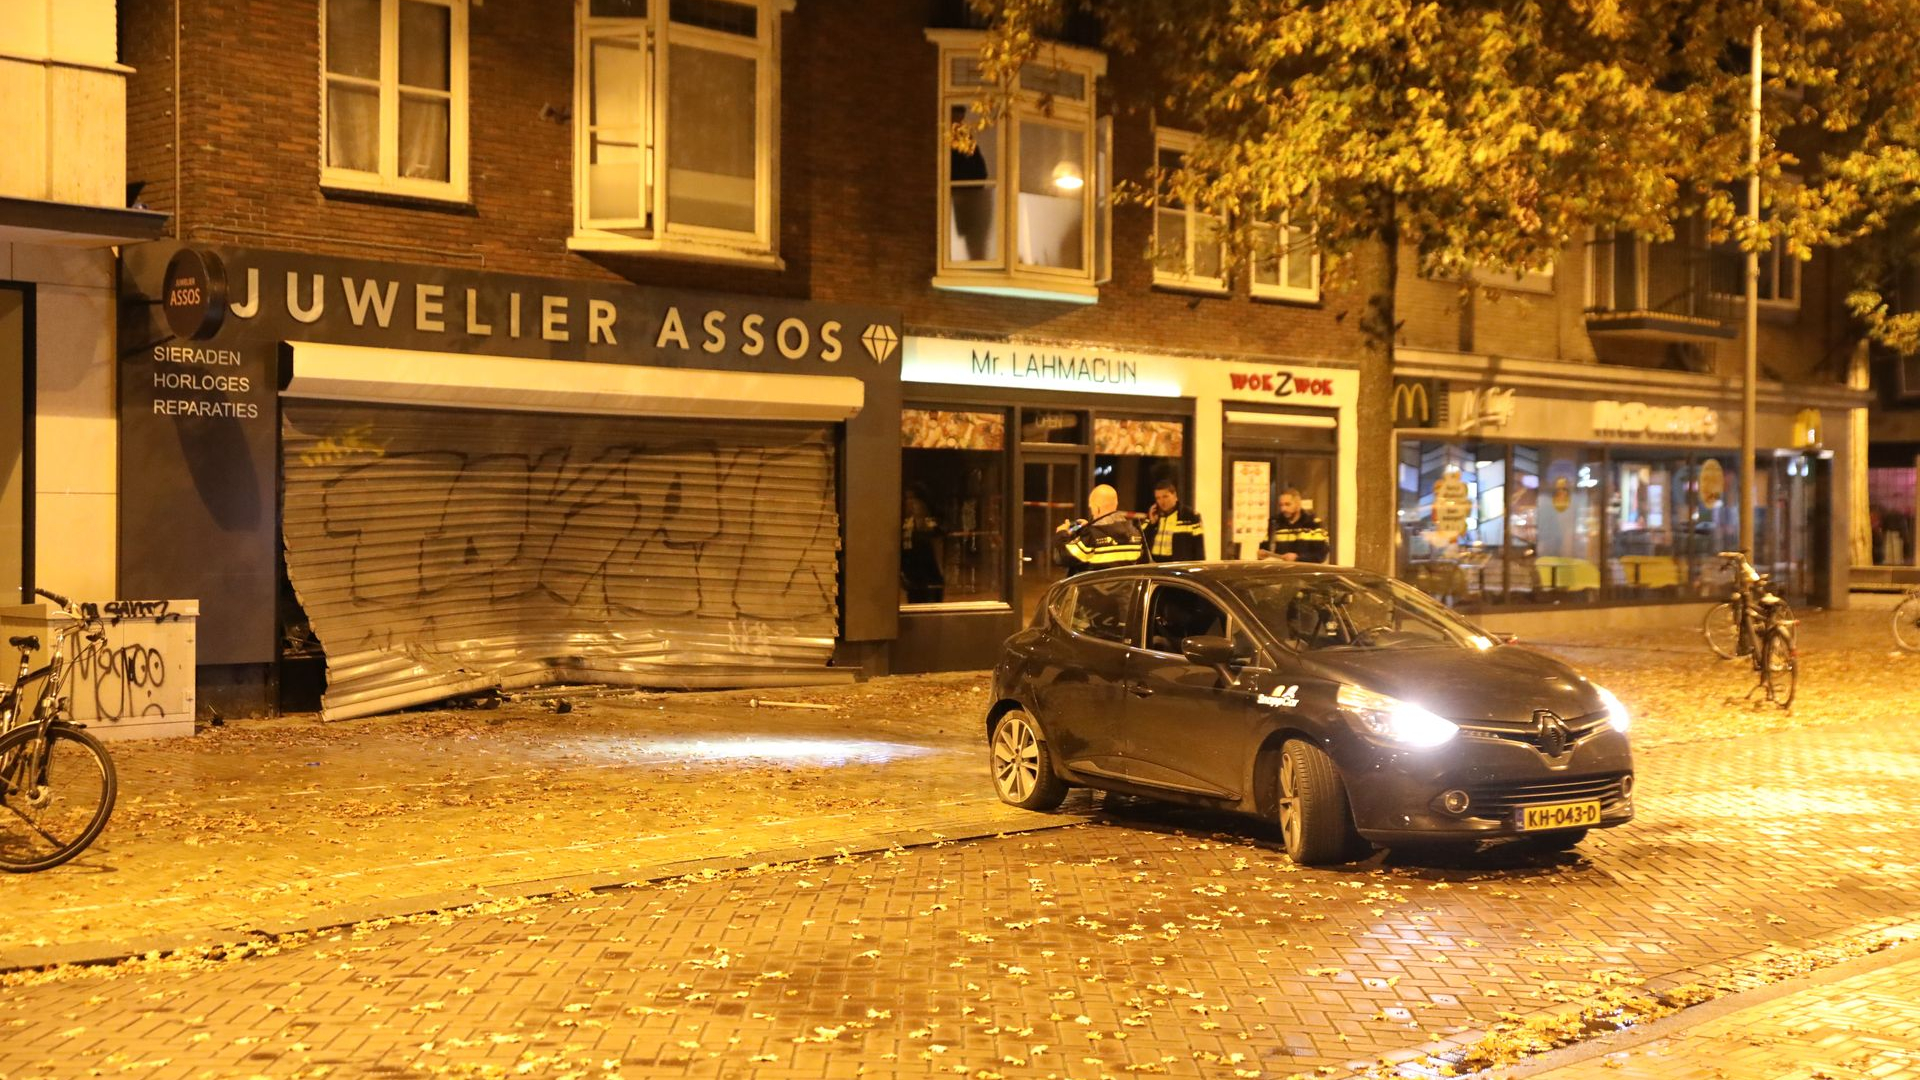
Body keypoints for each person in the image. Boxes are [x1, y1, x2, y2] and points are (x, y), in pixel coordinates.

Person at [1054, 483, 1144, 574]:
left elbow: (1062, 558)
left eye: (1091, 508)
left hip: (1093, 588)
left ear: (1097, 508)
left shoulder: (1092, 535)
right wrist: (1088, 527)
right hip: (1127, 588)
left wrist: (1062, 534)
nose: (1092, 513)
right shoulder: (1136, 534)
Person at [1140, 478, 1205, 562]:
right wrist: (1151, 524)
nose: (1162, 501)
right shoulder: (1153, 516)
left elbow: (1199, 548)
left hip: (1177, 566)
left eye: (1165, 496)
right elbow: (1141, 541)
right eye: (1158, 498)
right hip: (1154, 565)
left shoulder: (1190, 516)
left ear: (1174, 495)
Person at [900, 485, 946, 602]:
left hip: (930, 578)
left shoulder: (931, 525)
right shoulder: (906, 525)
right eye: (907, 499)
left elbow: (938, 540)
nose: (910, 503)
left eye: (913, 499)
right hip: (913, 578)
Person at [1264, 487, 1329, 563]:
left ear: (1298, 504)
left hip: (1304, 572)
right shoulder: (1276, 522)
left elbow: (1320, 555)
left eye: (1287, 504)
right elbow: (1266, 547)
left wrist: (1298, 557)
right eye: (1281, 505)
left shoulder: (1313, 524)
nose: (1283, 509)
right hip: (1281, 572)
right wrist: (1262, 553)